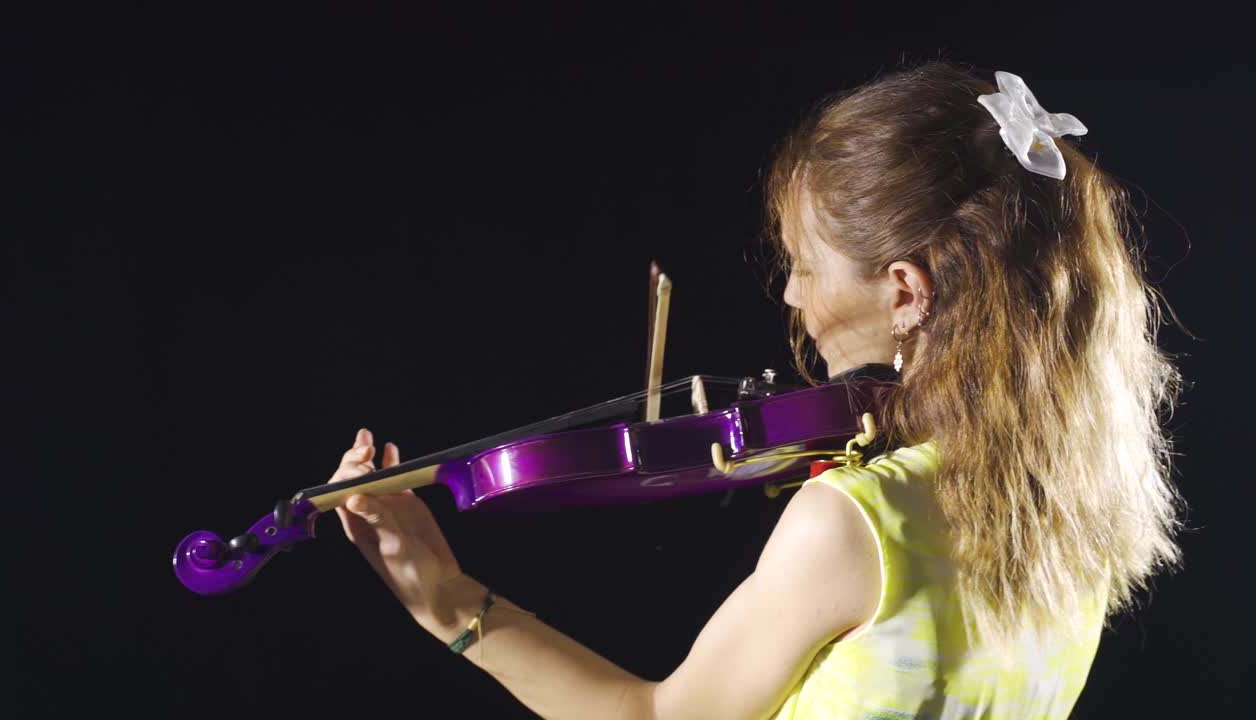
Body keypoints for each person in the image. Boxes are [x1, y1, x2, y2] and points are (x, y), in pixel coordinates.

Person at [328, 60, 1185, 719]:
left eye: (805, 266)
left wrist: (447, 603)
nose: (793, 297)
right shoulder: (1080, 505)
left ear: (905, 291)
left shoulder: (855, 523)